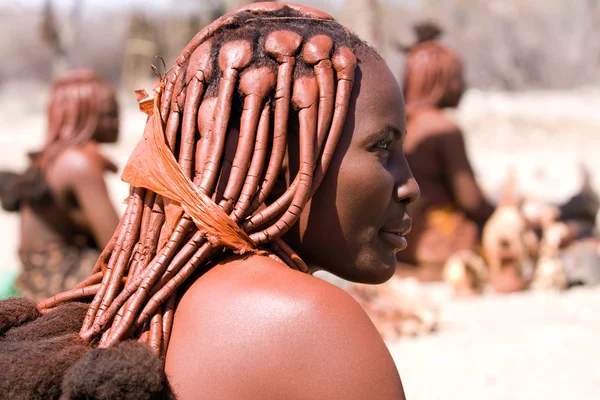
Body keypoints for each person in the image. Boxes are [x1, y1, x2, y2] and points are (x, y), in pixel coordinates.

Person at [0, 3, 418, 399]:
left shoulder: (156, 311)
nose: (410, 186)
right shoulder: (311, 323)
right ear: (277, 158)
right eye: (382, 146)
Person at [0, 69, 120, 301]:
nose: (117, 121)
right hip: (60, 282)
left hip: (35, 279)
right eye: (109, 114)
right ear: (84, 118)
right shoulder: (79, 163)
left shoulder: (56, 158)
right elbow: (117, 248)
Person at [395, 22, 494, 281]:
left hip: (400, 242)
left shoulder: (398, 124)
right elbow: (472, 201)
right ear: (440, 81)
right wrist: (502, 211)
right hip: (443, 247)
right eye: (457, 78)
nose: (462, 86)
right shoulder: (445, 129)